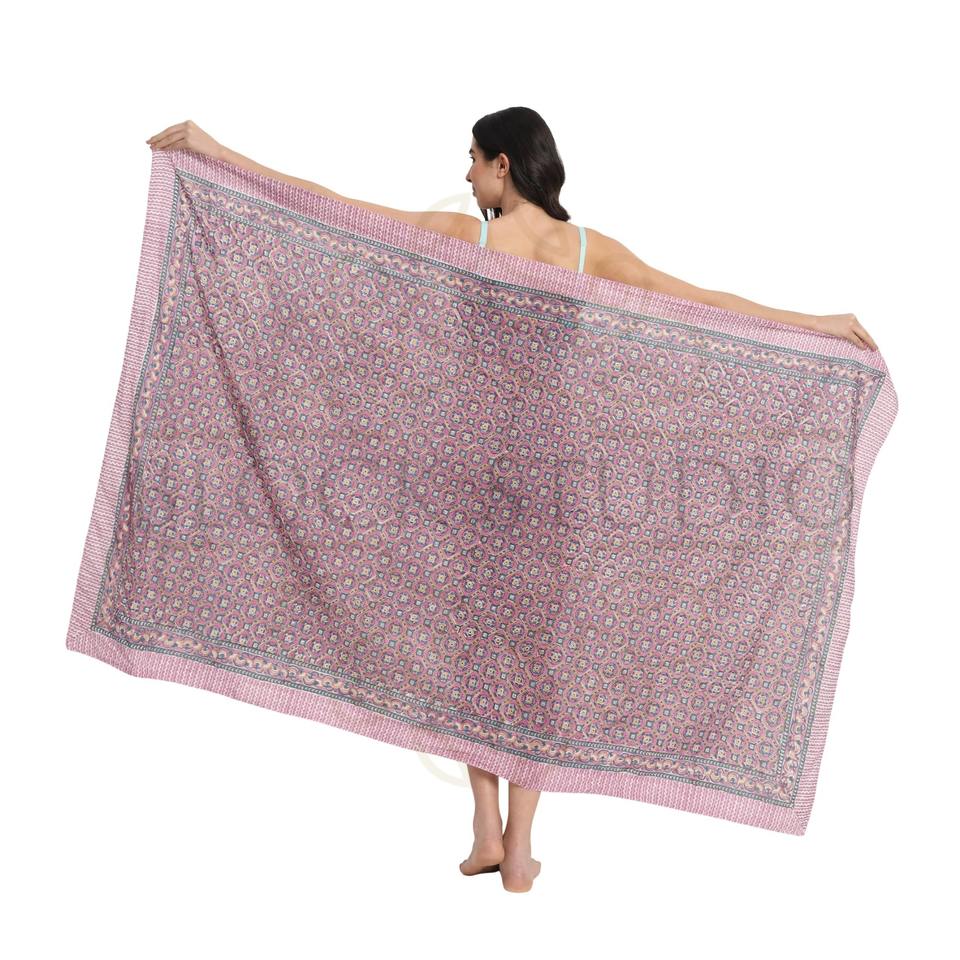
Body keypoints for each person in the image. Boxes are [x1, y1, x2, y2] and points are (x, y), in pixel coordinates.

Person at [144, 108, 878, 895]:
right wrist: (820, 324)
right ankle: (520, 847)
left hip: (478, 468)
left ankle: (485, 829)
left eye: (472, 160)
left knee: (474, 645)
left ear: (503, 164)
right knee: (535, 653)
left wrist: (218, 153)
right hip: (558, 475)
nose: (465, 175)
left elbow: (331, 207)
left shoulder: (473, 238)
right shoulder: (590, 251)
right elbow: (702, 301)